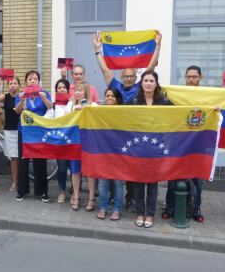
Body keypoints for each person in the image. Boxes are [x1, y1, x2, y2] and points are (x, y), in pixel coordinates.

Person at [92, 31, 162, 210]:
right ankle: (114, 199)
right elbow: (105, 70)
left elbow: (151, 67)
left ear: (136, 77)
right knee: (116, 167)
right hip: (117, 134)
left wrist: (158, 46)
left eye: (132, 76)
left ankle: (130, 198)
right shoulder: (115, 86)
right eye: (126, 76)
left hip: (135, 132)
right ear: (122, 77)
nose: (129, 78)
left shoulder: (141, 86)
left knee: (132, 166)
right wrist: (98, 50)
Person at [129, 70, 172, 228]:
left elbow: (180, 114)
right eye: (145, 80)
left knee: (153, 183)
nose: (148, 83)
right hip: (139, 147)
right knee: (139, 182)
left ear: (156, 84)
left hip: (156, 147)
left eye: (151, 80)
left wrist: (210, 110)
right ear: (141, 83)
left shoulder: (164, 102)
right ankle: (140, 213)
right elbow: (119, 116)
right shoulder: (134, 101)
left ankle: (151, 214)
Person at [164, 65, 205, 222]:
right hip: (178, 142)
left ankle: (196, 208)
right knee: (173, 175)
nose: (191, 79)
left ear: (200, 77)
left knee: (197, 178)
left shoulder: (206, 96)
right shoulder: (177, 95)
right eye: (188, 76)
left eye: (194, 77)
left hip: (198, 142)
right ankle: (170, 206)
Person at [15, 70, 53, 202]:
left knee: (40, 161)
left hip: (39, 132)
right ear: (26, 81)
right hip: (24, 132)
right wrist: (22, 100)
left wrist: (43, 97)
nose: (32, 81)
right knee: (23, 161)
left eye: (35, 79)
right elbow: (18, 111)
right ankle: (22, 191)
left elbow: (50, 107)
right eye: (30, 79)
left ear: (39, 81)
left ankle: (42, 191)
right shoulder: (21, 95)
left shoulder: (45, 93)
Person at [65, 82, 97, 211]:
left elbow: (95, 118)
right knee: (75, 170)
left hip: (89, 142)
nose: (77, 92)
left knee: (89, 171)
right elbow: (65, 120)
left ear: (86, 93)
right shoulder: (70, 104)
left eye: (80, 90)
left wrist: (84, 108)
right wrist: (73, 109)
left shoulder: (93, 105)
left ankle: (91, 198)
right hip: (74, 142)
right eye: (76, 90)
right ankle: (76, 196)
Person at [97, 87, 124, 220]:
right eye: (107, 95)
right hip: (103, 152)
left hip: (119, 153)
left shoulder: (123, 113)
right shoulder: (99, 111)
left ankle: (117, 209)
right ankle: (103, 207)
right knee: (103, 182)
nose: (109, 98)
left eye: (113, 96)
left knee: (118, 183)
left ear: (118, 99)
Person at [48, 78, 71, 203]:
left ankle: (74, 192)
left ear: (68, 90)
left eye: (64, 87)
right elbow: (47, 118)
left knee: (74, 169)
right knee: (62, 168)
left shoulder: (73, 103)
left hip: (73, 142)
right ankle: (61, 191)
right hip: (60, 143)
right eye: (59, 87)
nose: (61, 89)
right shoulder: (53, 105)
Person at [0, 76, 20, 192]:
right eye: (10, 83)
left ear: (19, 85)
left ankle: (22, 180)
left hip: (22, 130)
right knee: (13, 158)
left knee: (21, 157)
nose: (12, 85)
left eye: (15, 83)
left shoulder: (22, 97)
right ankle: (14, 181)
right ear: (8, 86)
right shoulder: (5, 97)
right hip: (9, 130)